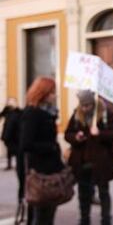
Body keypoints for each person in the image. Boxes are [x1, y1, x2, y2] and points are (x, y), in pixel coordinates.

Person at [64, 90, 113, 225]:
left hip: (102, 162)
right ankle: (84, 219)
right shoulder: (77, 115)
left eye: (87, 105)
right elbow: (67, 134)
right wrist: (76, 137)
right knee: (83, 194)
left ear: (93, 103)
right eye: (82, 105)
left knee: (103, 193)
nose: (84, 108)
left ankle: (106, 220)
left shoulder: (106, 113)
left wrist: (99, 133)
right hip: (82, 162)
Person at [20, 77, 63, 225]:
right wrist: (51, 147)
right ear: (43, 93)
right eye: (52, 92)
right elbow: (26, 144)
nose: (55, 95)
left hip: (49, 170)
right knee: (40, 216)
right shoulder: (32, 113)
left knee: (48, 214)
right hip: (39, 173)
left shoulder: (49, 113)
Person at [0, 97, 22, 170]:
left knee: (15, 149)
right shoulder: (7, 110)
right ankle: (9, 164)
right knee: (10, 149)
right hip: (8, 132)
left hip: (16, 133)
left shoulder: (18, 111)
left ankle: (18, 164)